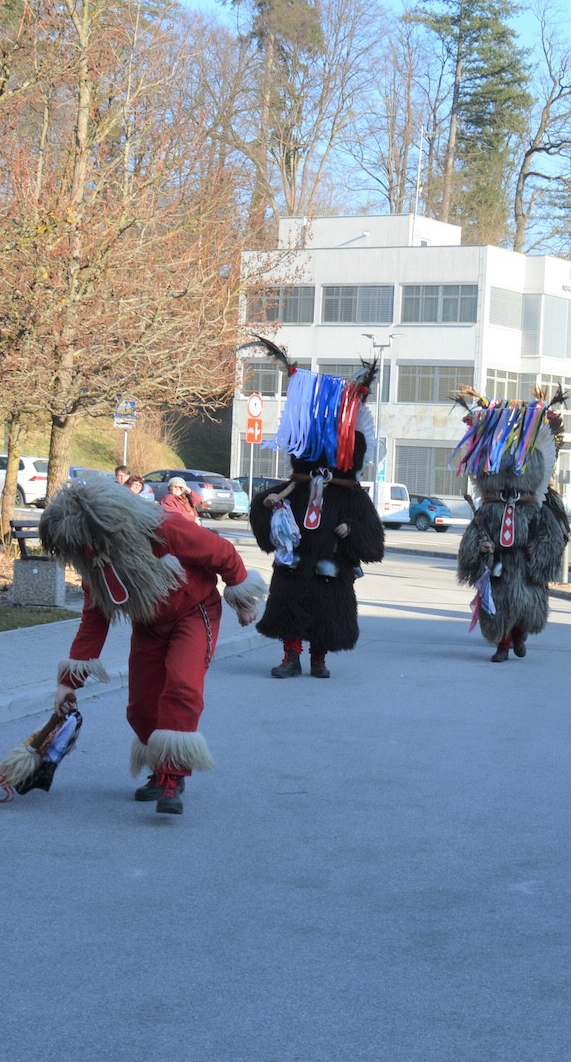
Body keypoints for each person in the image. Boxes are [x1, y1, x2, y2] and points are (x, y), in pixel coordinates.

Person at [38, 476, 266, 815]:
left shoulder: (165, 529)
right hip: (149, 625)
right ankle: (160, 767)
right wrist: (67, 684)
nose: (88, 553)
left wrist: (242, 596)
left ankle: (173, 776)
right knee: (141, 706)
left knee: (181, 687)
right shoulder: (94, 568)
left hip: (194, 611)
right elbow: (93, 620)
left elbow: (222, 553)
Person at [239, 343, 386, 680]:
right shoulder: (293, 486)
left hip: (330, 568)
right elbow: (263, 519)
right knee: (290, 606)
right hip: (293, 567)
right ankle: (291, 657)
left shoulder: (352, 495)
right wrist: (268, 508)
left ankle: (319, 659)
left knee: (326, 614)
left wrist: (352, 530)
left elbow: (374, 541)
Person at [453, 390, 571, 662]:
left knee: (525, 603)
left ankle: (519, 635)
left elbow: (551, 536)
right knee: (500, 604)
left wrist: (538, 552)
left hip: (525, 565)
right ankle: (503, 644)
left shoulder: (537, 509)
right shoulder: (487, 510)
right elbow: (471, 537)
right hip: (500, 565)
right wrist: (479, 548)